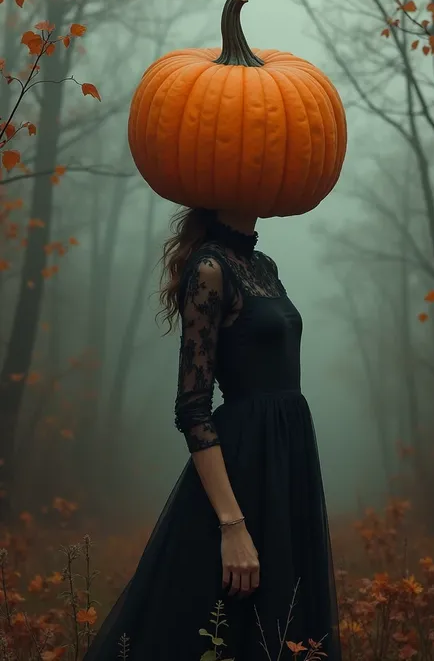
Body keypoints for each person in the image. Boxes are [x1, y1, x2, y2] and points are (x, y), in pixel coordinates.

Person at [83, 206, 341, 661]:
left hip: (288, 459)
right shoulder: (209, 269)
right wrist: (233, 526)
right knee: (211, 628)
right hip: (241, 469)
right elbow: (193, 409)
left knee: (286, 622)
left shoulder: (263, 266)